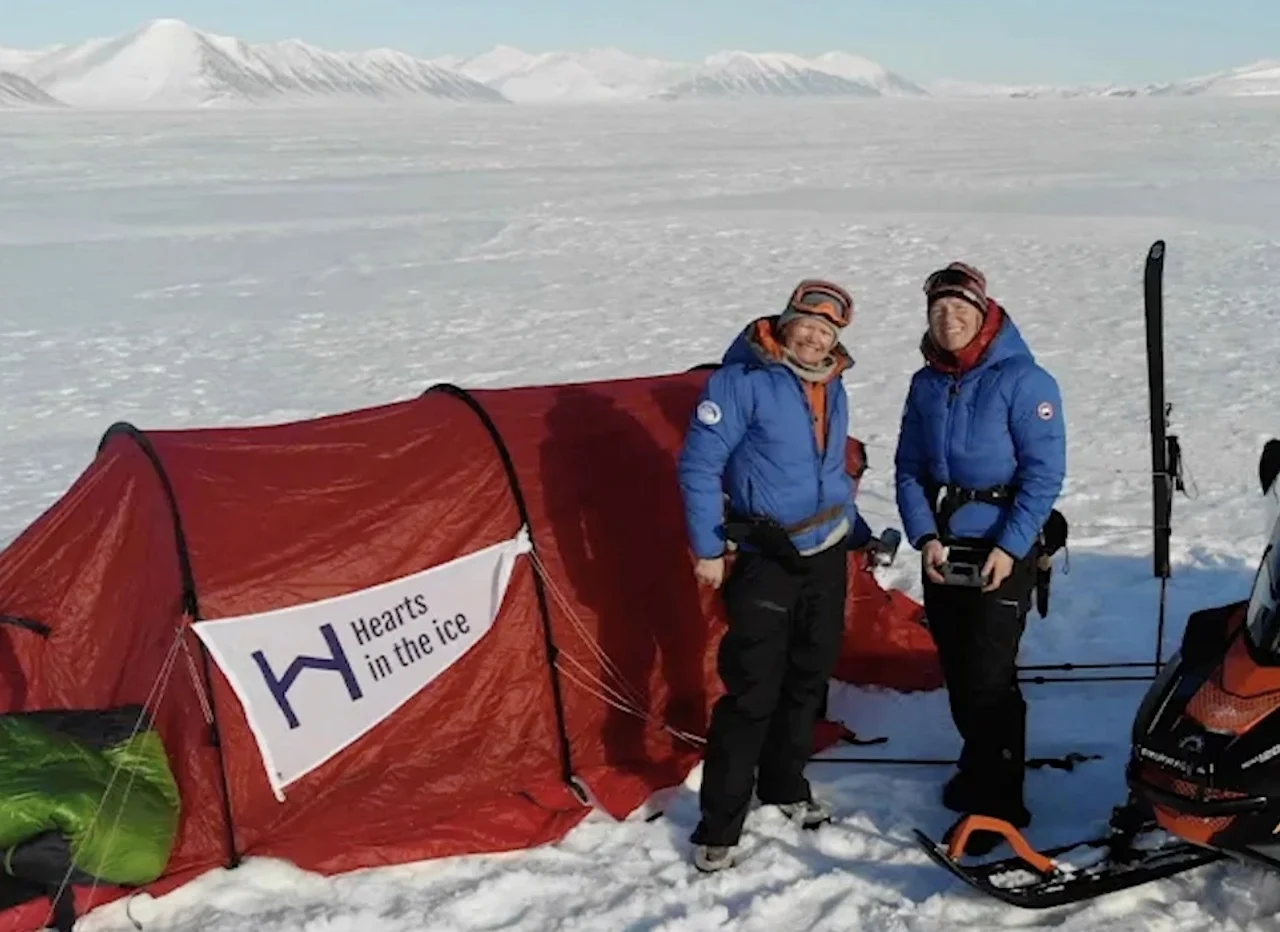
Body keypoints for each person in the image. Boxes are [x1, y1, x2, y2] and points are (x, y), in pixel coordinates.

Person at [677, 278, 875, 873]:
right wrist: (707, 545)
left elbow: (831, 467)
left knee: (809, 673)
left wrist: (856, 529)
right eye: (807, 325)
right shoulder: (740, 383)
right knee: (753, 688)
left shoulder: (832, 383)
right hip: (767, 553)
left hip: (826, 549)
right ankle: (720, 824)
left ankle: (785, 785)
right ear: (786, 323)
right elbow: (699, 462)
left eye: (827, 330)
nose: (815, 338)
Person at [894, 261, 1066, 853]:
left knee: (990, 675)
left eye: (960, 310)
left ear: (983, 313)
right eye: (939, 311)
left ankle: (1000, 804)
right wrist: (925, 537)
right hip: (947, 543)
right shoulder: (926, 384)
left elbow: (1045, 474)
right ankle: (978, 765)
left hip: (1002, 541)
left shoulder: (1024, 380)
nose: (949, 321)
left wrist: (1011, 546)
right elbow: (909, 469)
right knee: (959, 666)